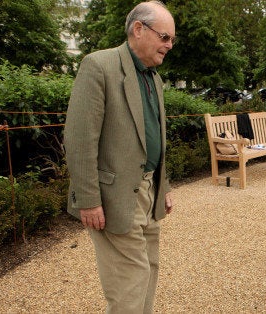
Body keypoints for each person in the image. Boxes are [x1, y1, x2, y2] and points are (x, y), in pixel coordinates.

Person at [64, 1, 175, 312]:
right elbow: (79, 138)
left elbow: (154, 136)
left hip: (148, 192)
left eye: (171, 40)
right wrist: (88, 199)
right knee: (130, 281)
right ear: (138, 29)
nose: (168, 45)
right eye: (164, 37)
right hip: (113, 196)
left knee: (148, 268)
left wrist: (162, 186)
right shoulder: (98, 66)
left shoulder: (153, 78)